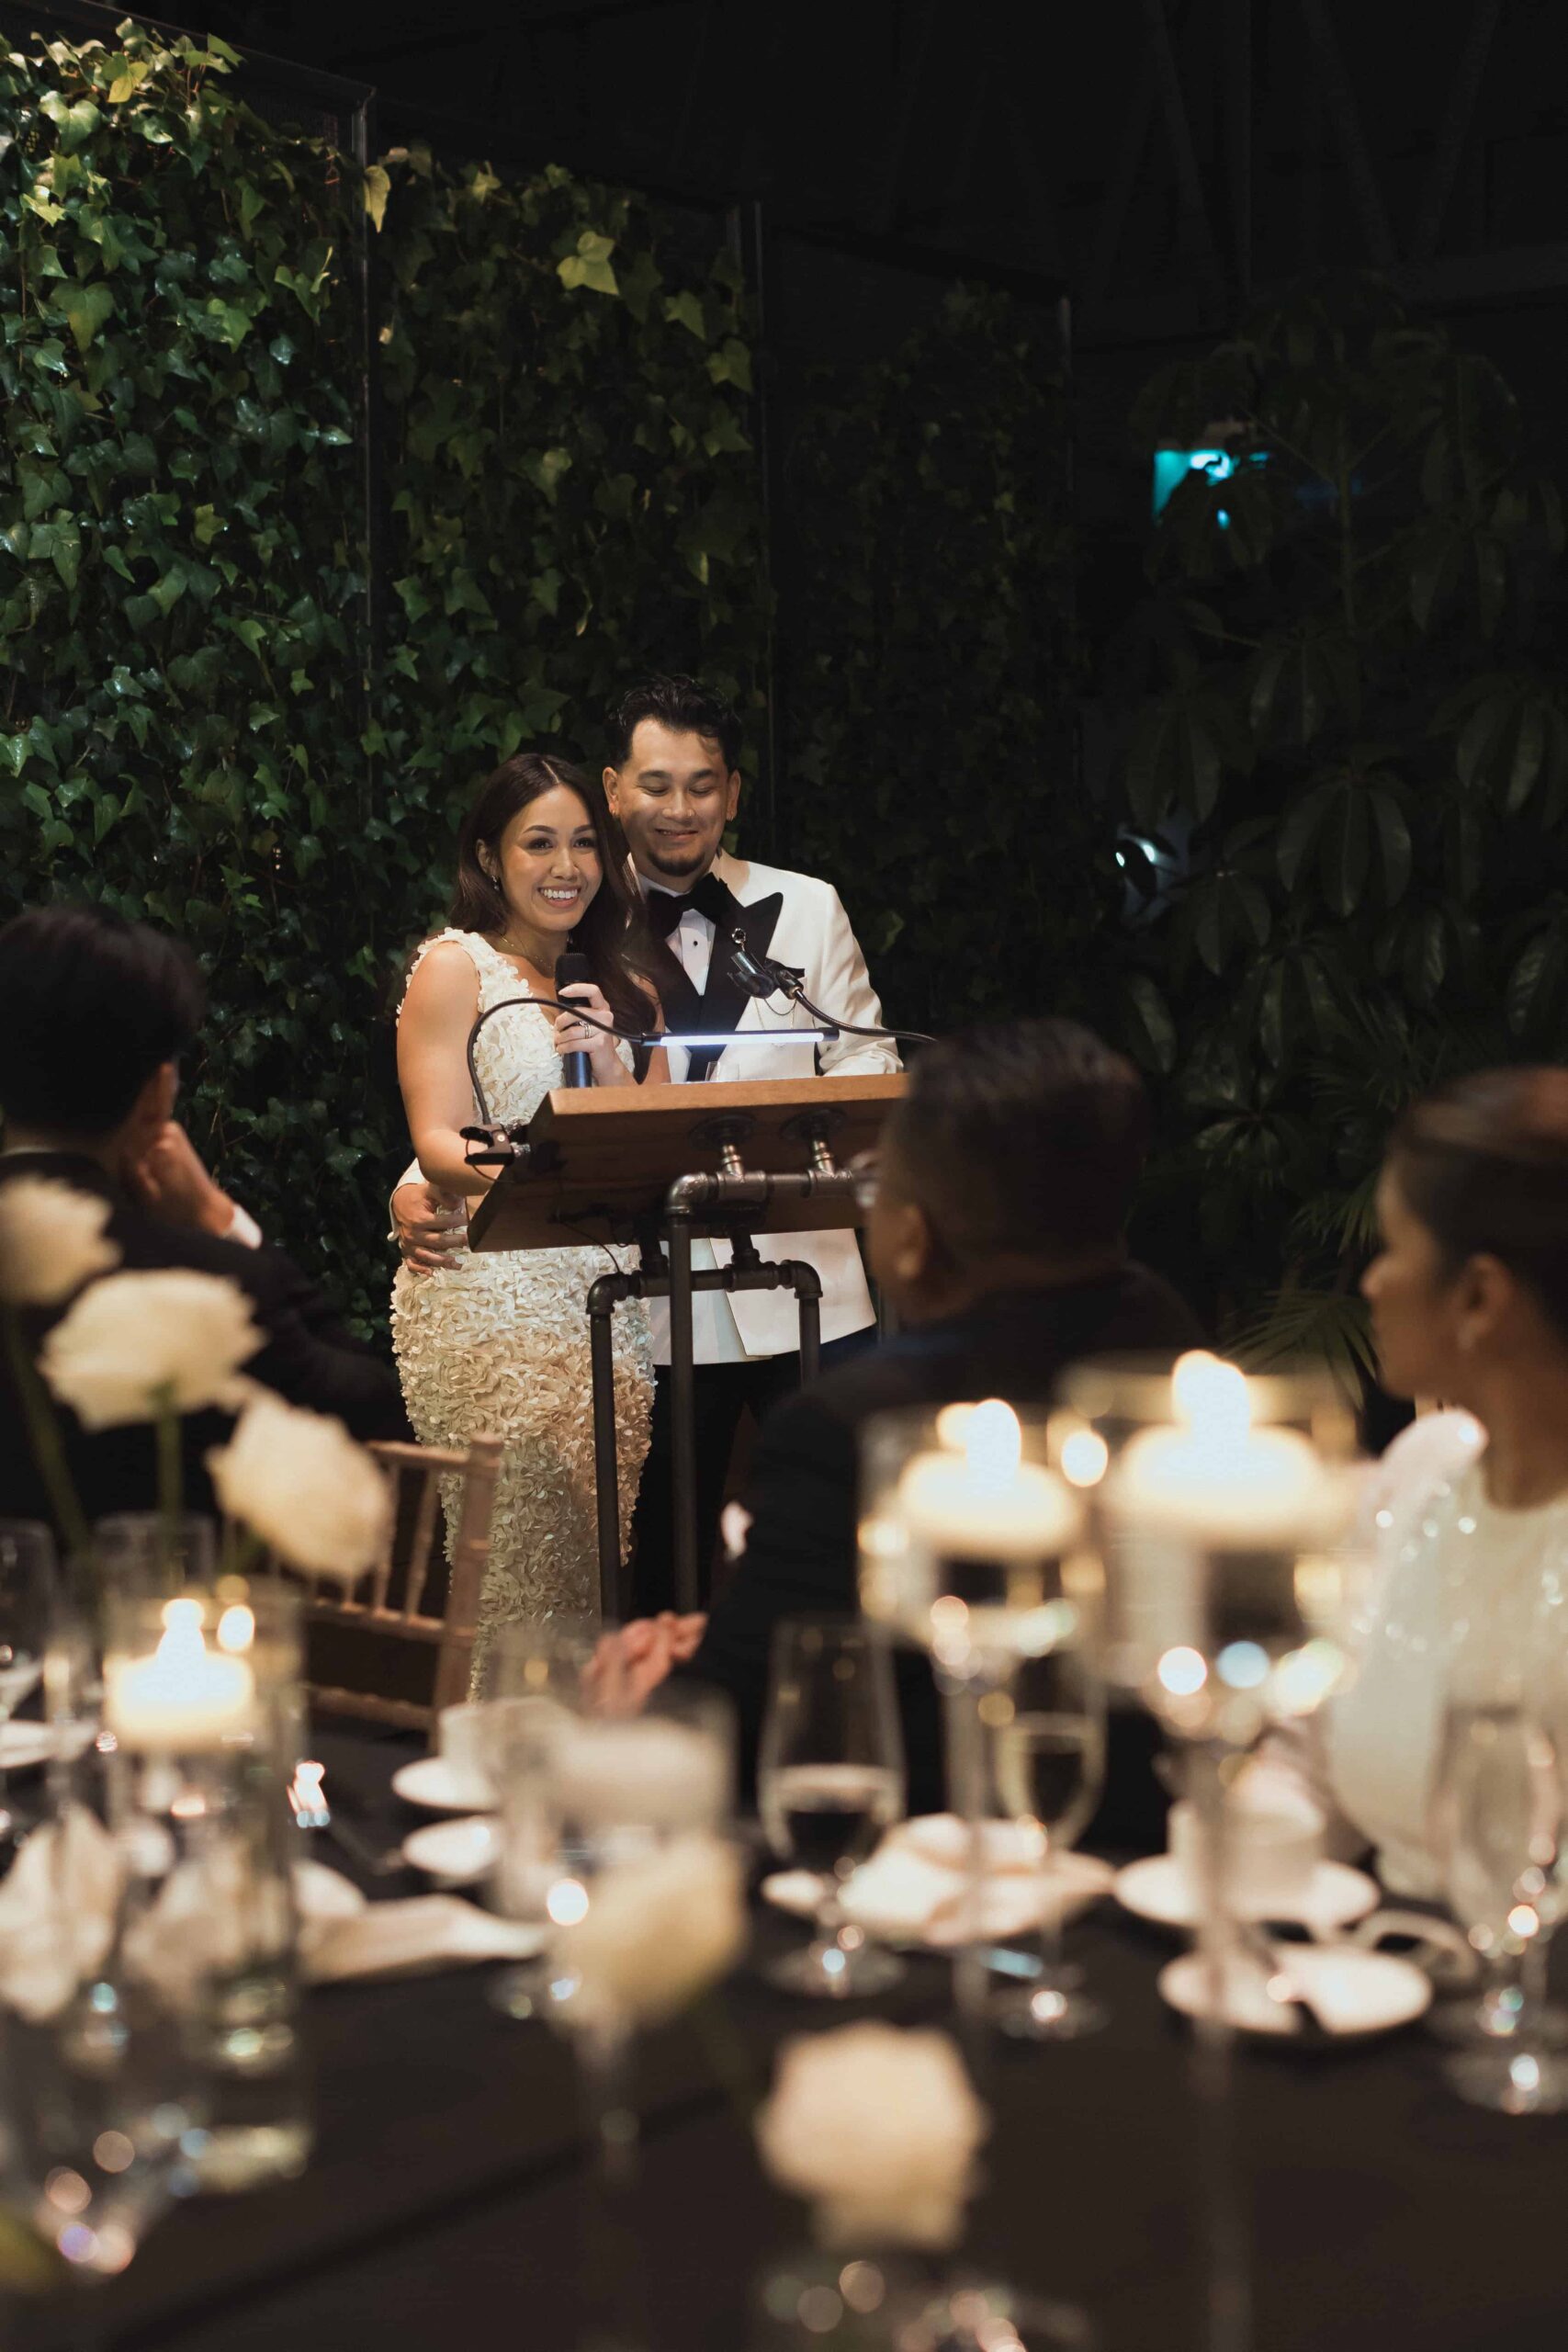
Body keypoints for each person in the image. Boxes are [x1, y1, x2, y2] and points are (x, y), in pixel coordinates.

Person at [597, 1018, 1203, 1815]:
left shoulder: (851, 1425)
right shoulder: (1170, 1344)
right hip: (1153, 1808)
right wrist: (741, 1625)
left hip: (917, 1839)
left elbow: (735, 1739)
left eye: (879, 1179)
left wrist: (637, 1698)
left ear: (910, 1239)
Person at [391, 673, 899, 1612]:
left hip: (812, 1283)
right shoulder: (571, 916)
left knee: (854, 1547)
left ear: (734, 794)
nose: (679, 808)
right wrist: (412, 1187)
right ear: (614, 788)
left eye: (703, 785)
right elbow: (478, 1101)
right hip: (648, 1305)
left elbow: (870, 1075)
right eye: (655, 785)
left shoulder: (811, 906)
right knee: (656, 1573)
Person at [1257, 1069, 1568, 1898]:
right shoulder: (1423, 1467)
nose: (1370, 1283)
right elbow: (1310, 1762)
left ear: (1477, 1297)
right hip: (1363, 1985)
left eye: (1392, 1249)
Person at [0, 905, 407, 1531]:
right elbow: (376, 1409)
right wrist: (219, 1219)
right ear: (158, 1093)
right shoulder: (206, 1281)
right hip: (133, 1619)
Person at [390, 752, 667, 1661]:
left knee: (589, 1587)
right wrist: (545, 1159)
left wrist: (619, 1070)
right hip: (491, 1309)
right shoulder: (453, 968)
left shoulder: (630, 993)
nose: (566, 865)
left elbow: (657, 1152)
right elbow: (439, 1138)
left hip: (609, 1317)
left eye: (586, 842)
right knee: (511, 1591)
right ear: (489, 856)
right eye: (539, 842)